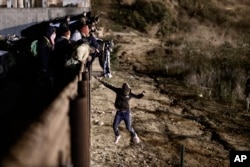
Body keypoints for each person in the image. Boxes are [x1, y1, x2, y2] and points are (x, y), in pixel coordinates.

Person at [94, 75, 146, 144]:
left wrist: (142, 94)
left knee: (128, 127)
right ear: (122, 90)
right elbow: (109, 86)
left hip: (127, 113)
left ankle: (134, 136)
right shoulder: (118, 90)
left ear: (129, 90)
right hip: (119, 113)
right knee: (114, 126)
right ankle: (117, 135)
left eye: (127, 92)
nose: (126, 93)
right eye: (125, 92)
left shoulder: (130, 94)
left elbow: (138, 97)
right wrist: (100, 80)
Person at [37, 25, 56, 89]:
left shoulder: (48, 40)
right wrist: (44, 68)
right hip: (45, 68)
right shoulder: (44, 43)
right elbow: (43, 56)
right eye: (53, 33)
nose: (54, 35)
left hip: (48, 66)